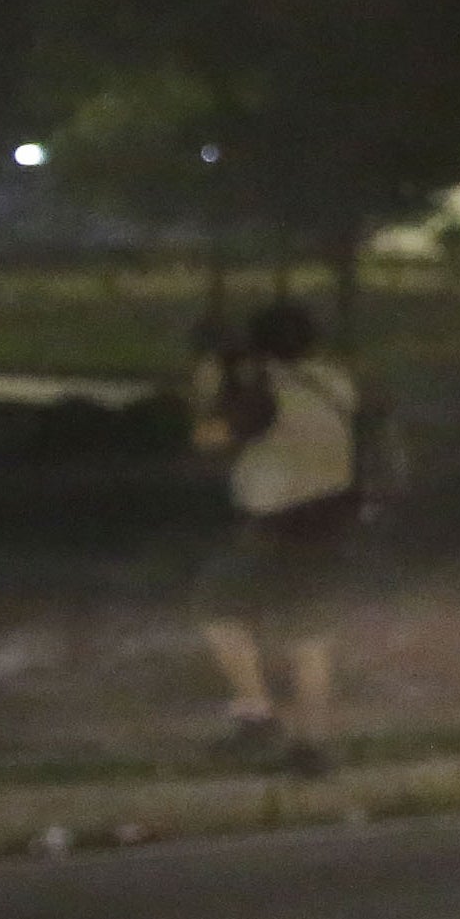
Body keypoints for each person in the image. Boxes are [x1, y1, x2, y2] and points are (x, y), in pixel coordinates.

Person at [190, 299, 363, 776]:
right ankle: (312, 745)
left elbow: (210, 438)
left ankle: (256, 715)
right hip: (331, 524)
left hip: (273, 526)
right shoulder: (337, 382)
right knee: (310, 635)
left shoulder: (267, 389)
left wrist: (209, 388)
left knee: (217, 608)